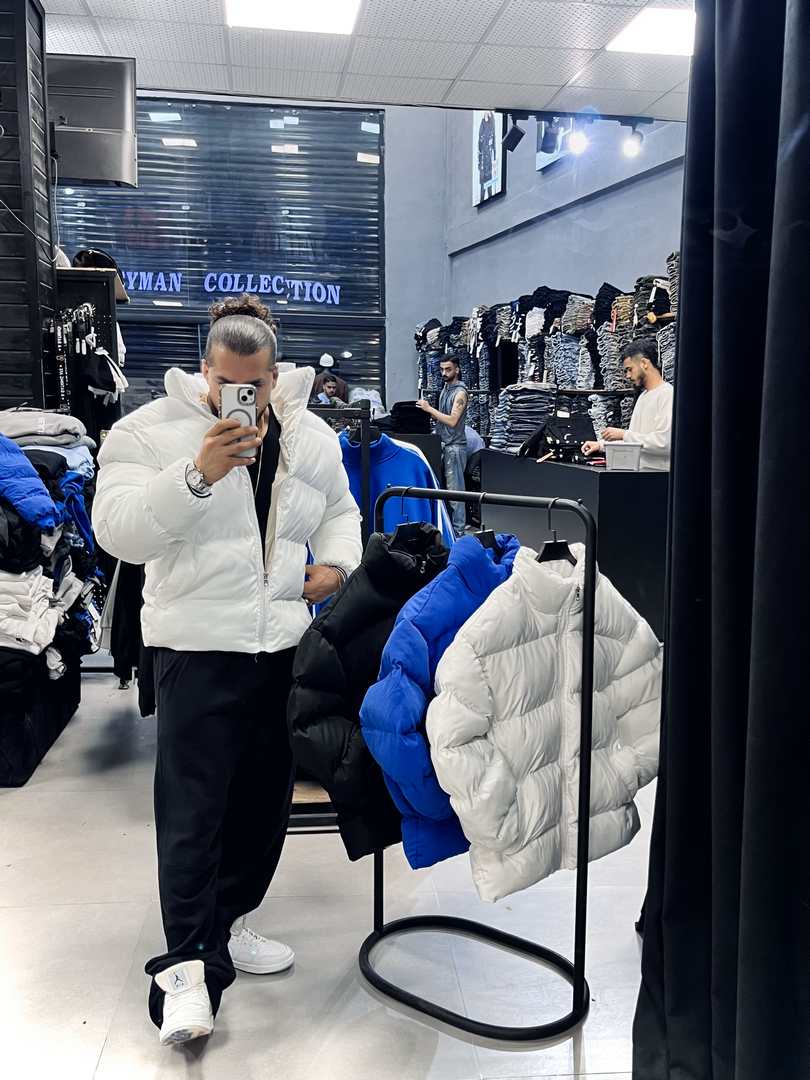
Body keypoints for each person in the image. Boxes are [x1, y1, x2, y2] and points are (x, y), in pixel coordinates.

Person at [92, 295, 362, 1046]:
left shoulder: (310, 436)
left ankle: (227, 924)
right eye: (226, 382)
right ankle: (185, 971)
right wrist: (196, 474)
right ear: (205, 371)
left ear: (275, 375)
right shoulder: (147, 432)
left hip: (282, 648)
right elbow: (116, 532)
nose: (241, 395)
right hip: (195, 649)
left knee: (261, 808)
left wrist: (337, 566)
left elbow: (342, 511)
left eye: (256, 384)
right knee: (193, 813)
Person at [582, 337, 674, 471]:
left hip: (659, 476)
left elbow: (664, 443)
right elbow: (634, 442)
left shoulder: (667, 394)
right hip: (641, 473)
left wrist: (623, 434)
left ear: (644, 363)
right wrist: (601, 445)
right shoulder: (643, 396)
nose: (628, 376)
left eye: (630, 369)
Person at [417, 355, 469, 537]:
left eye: (448, 369)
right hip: (444, 444)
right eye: (442, 369)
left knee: (456, 494)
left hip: (454, 447)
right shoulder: (446, 389)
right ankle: (450, 532)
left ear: (457, 370)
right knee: (448, 493)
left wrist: (429, 409)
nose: (444, 373)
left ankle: (459, 534)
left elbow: (453, 421)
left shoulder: (460, 393)